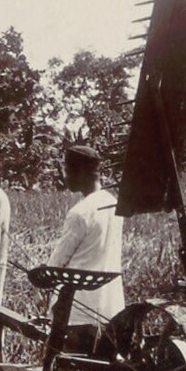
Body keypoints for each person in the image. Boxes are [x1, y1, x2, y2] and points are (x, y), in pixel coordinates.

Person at [47, 143, 125, 352]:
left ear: (80, 172)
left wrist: (41, 277)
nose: (65, 177)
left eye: (67, 170)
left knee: (63, 367)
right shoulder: (114, 205)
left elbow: (57, 263)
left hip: (76, 312)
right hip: (111, 309)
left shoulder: (80, 213)